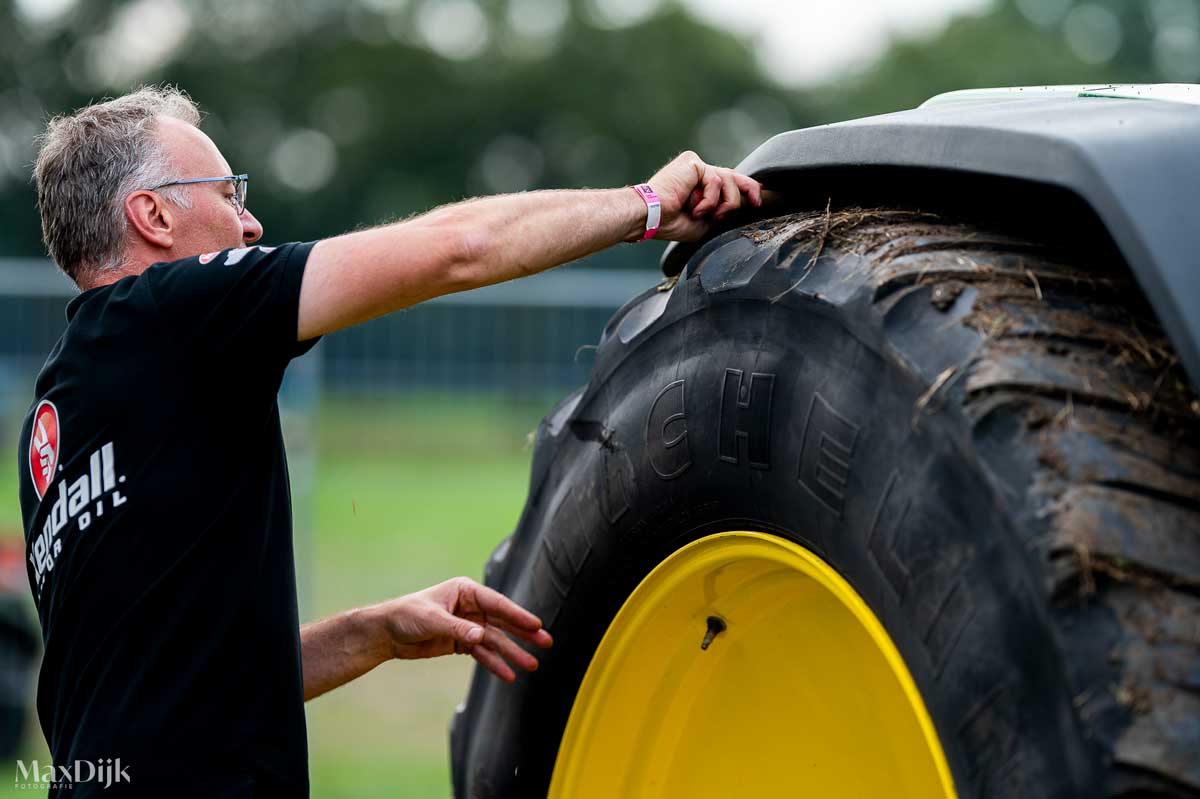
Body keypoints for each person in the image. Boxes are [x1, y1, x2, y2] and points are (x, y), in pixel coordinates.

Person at [18, 85, 762, 796]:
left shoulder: (57, 414)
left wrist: (374, 631)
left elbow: (169, 686)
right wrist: (647, 203)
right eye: (228, 193)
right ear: (151, 214)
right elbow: (457, 248)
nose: (250, 224)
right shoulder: (172, 311)